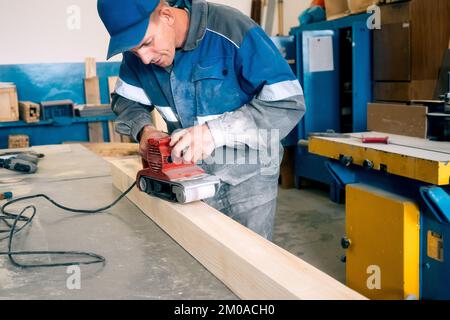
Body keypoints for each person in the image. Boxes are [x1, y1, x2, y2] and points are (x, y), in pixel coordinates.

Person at [98, 0, 306, 240]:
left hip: (249, 177)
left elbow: (288, 103)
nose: (143, 58)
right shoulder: (139, 51)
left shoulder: (231, 28)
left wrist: (214, 132)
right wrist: (143, 129)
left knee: (249, 260)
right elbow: (126, 100)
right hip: (187, 177)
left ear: (166, 14)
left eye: (147, 44)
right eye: (135, 50)